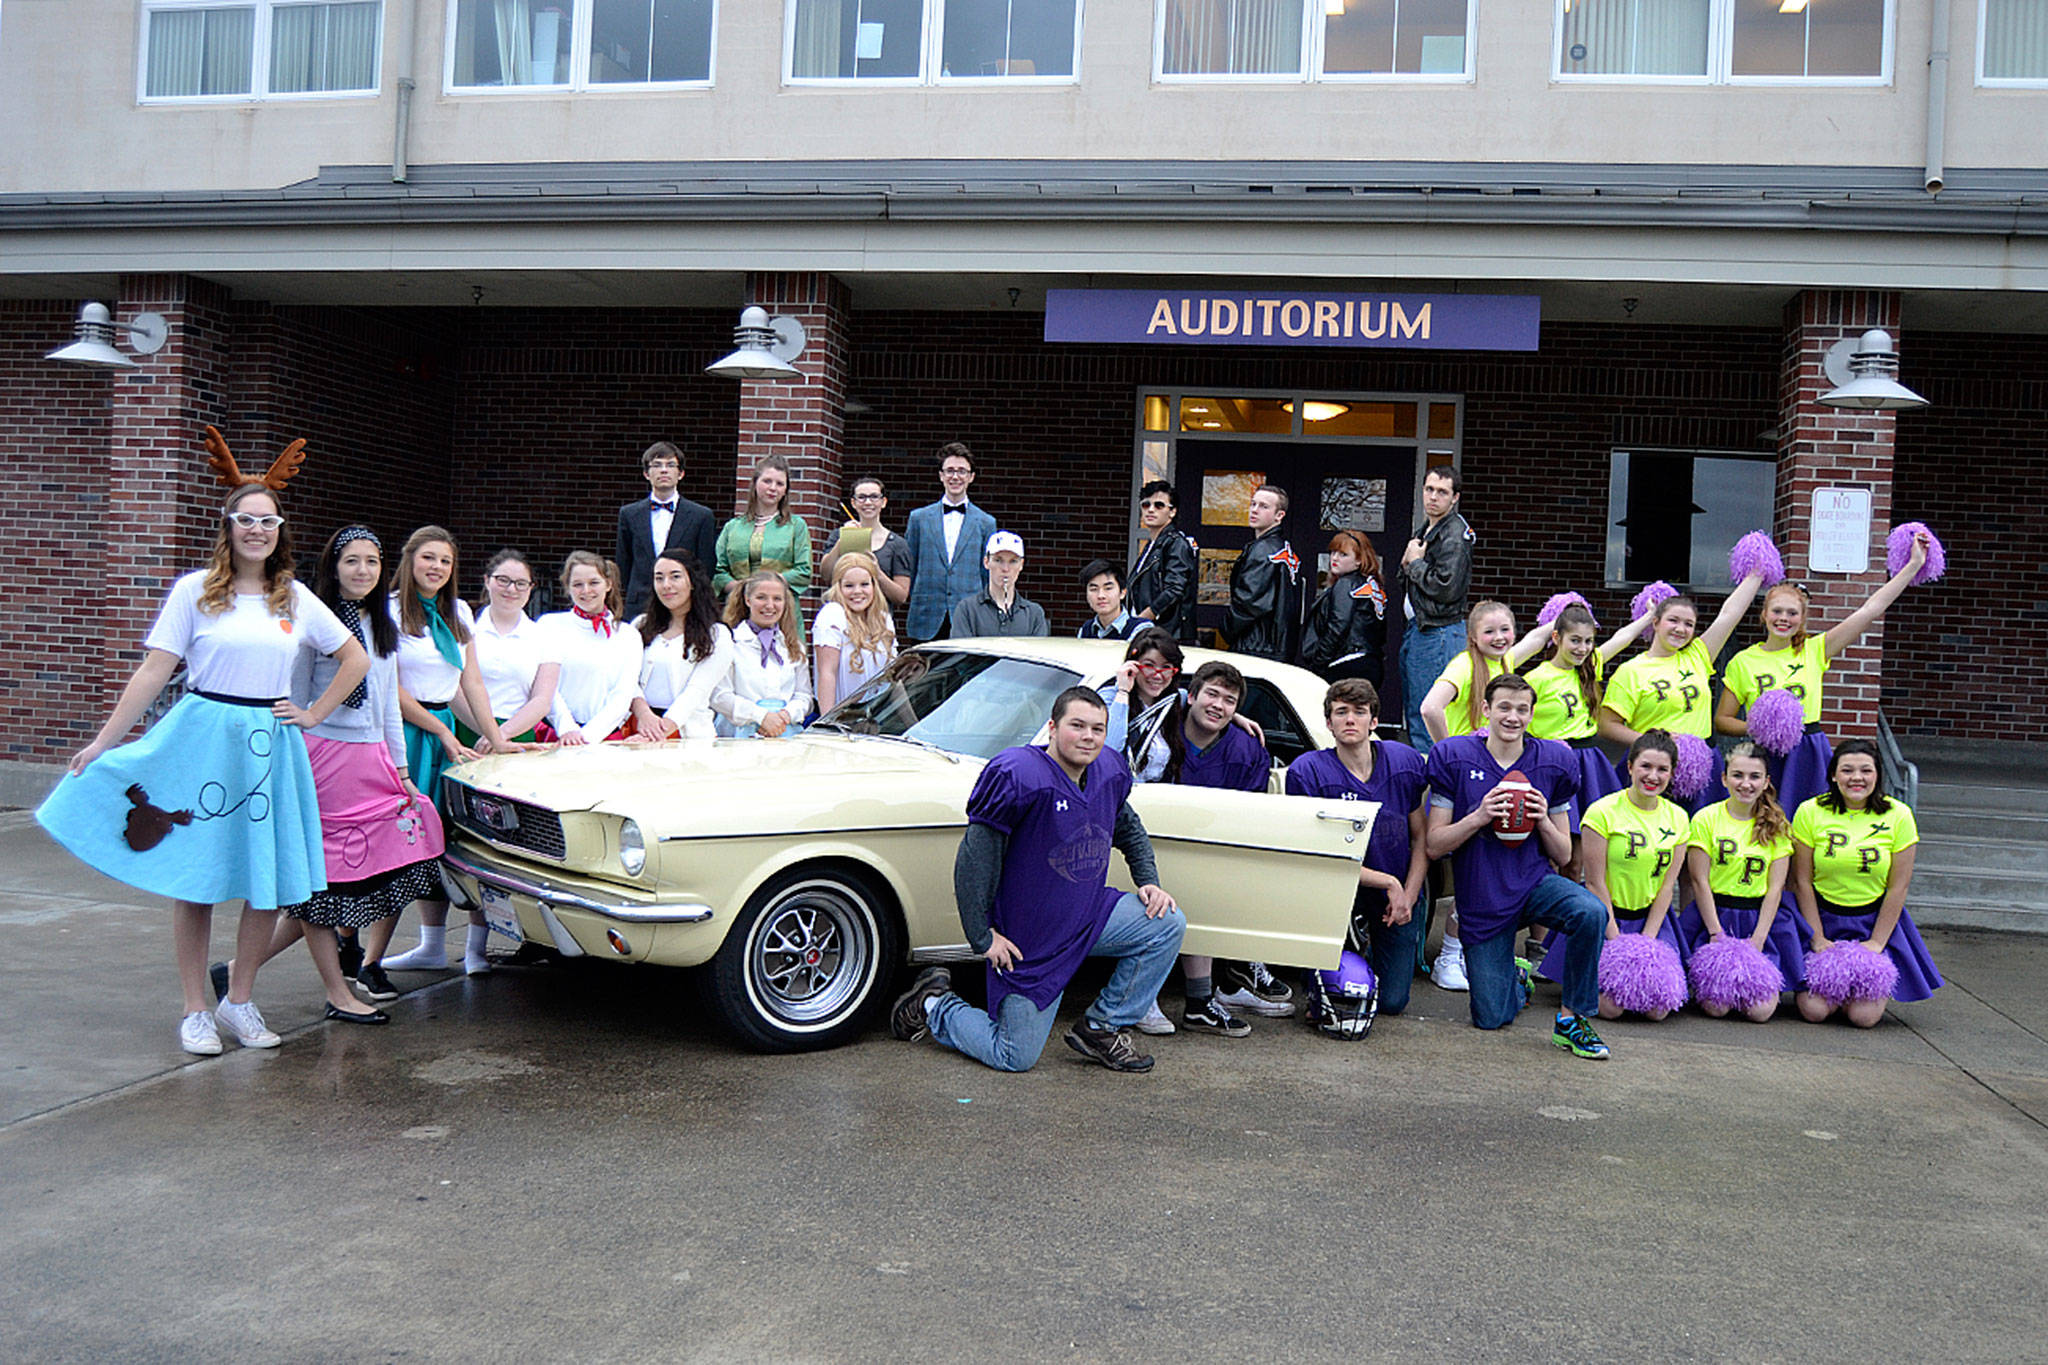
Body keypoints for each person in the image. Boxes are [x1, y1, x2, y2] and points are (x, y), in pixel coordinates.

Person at [38, 471, 368, 1056]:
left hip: (269, 743)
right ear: (228, 526)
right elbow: (153, 670)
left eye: (269, 521)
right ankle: (195, 1009)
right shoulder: (194, 591)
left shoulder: (292, 595)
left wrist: (314, 714)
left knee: (264, 879)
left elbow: (354, 657)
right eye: (247, 519)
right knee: (196, 878)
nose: (257, 530)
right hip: (202, 736)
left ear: (279, 531)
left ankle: (238, 1000)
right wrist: (105, 741)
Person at [213, 525, 446, 1024]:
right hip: (323, 761)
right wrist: (309, 722)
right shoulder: (315, 620)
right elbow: (291, 694)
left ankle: (237, 970)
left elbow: (386, 707)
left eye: (371, 561)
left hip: (372, 763)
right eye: (351, 561)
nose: (362, 571)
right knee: (320, 887)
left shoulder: (381, 624)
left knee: (388, 862)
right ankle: (338, 991)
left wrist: (401, 770)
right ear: (333, 567)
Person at [888, 687, 1186, 1073]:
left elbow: (1128, 827)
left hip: (1089, 915)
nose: (1088, 737)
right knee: (1013, 1055)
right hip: (1031, 940)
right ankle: (933, 1003)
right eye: (1076, 726)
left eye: (1098, 728)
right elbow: (974, 860)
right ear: (1051, 727)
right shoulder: (1019, 774)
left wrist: (1148, 879)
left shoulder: (1109, 770)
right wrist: (982, 935)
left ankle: (1101, 1026)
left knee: (1165, 924)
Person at [1423, 674, 1613, 1059]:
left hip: (1534, 886)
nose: (1513, 717)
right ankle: (1517, 977)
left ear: (1532, 714)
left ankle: (1571, 1019)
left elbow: (1562, 856)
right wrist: (1478, 817)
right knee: (1492, 1017)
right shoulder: (1455, 757)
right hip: (1482, 897)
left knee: (1589, 911)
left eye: (1522, 709)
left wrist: (1543, 819)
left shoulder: (1553, 760)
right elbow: (1433, 844)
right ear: (1486, 710)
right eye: (1504, 708)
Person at [1715, 532, 1932, 812]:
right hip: (1764, 753)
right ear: (1764, 615)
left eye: (1792, 613)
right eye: (1777, 611)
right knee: (1766, 822)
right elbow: (1722, 720)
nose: (1784, 619)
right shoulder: (1743, 661)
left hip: (1808, 750)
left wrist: (1913, 564)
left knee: (1811, 823)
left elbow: (1869, 610)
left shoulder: (1815, 650)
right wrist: (1760, 728)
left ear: (1802, 618)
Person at [373, 526, 503, 979]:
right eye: (428, 558)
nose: (437, 568)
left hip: (444, 729)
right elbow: (392, 688)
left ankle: (474, 950)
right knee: (404, 844)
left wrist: (496, 740)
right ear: (409, 561)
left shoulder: (458, 611)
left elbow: (469, 684)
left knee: (460, 841)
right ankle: (377, 958)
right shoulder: (387, 612)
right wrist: (441, 733)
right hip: (405, 733)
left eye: (445, 561)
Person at [1419, 598, 1548, 992]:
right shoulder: (1462, 665)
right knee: (1465, 876)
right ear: (1472, 637)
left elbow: (1533, 641)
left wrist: (1557, 619)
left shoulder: (1505, 664)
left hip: (1489, 781)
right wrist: (1453, 754)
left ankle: (1467, 951)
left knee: (1483, 873)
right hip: (1466, 783)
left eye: (1505, 630)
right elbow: (1429, 708)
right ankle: (1448, 956)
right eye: (1489, 631)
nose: (1499, 637)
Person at [1285, 679, 1431, 1018]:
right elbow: (1320, 857)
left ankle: (1369, 958)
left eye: (1359, 712)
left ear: (1374, 721)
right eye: (1341, 712)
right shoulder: (1309, 771)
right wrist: (1389, 883)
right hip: (1336, 892)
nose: (1350, 719)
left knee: (1392, 1003)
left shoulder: (1403, 762)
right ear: (1328, 723)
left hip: (1394, 890)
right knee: (1334, 993)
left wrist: (1408, 894)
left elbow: (1420, 837)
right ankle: (1342, 964)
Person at [1163, 661, 1285, 1036]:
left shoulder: (1247, 751)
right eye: (1211, 694)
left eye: (1229, 701)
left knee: (1209, 886)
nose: (1218, 705)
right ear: (1191, 695)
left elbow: (1248, 818)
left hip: (1212, 851)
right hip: (1156, 845)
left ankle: (1221, 983)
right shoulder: (1163, 723)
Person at [1791, 738, 1943, 1026]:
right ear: (1833, 775)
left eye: (1866, 770)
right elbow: (1802, 881)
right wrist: (1818, 938)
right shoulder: (1810, 811)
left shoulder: (1899, 815)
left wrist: (1877, 942)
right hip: (1824, 917)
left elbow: (1898, 887)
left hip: (1871, 920)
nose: (1856, 778)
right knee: (1814, 1011)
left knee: (1863, 1018)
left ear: (1877, 775)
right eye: (1847, 770)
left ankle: (1853, 992)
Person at [1539, 730, 1691, 1019]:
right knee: (1610, 1009)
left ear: (1672, 774)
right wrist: (1617, 942)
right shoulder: (1602, 812)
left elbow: (1667, 885)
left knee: (1657, 1012)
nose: (1653, 776)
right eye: (1645, 766)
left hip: (1650, 919)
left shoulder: (1678, 818)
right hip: (1605, 917)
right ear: (1630, 766)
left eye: (1662, 769)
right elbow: (1595, 882)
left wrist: (1646, 943)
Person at [1599, 570, 1766, 813]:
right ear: (1655, 622)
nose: (1681, 629)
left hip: (1700, 763)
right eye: (1673, 620)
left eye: (1689, 624)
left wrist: (1757, 572)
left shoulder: (1697, 655)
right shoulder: (1631, 670)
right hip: (1655, 765)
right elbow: (1606, 725)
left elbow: (1729, 615)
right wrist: (1655, 739)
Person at [1674, 741, 1801, 1021]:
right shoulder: (1706, 818)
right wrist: (1716, 932)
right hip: (1716, 914)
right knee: (1716, 1007)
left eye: (1755, 777)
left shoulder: (1778, 825)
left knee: (1760, 1012)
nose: (1746, 784)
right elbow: (1699, 881)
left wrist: (1759, 938)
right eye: (1738, 775)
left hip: (1759, 917)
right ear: (1724, 778)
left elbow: (1775, 888)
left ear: (1767, 782)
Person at [1398, 467, 1474, 752]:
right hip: (1422, 628)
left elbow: (1447, 588)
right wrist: (1410, 562)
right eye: (1429, 489)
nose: (1433, 497)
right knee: (1416, 714)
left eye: (1442, 492)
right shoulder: (1429, 527)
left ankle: (1434, 789)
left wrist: (1415, 564)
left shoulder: (1453, 534)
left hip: (1438, 632)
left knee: (1429, 717)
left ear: (1454, 498)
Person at [538, 552, 641, 744]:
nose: (586, 590)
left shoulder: (629, 635)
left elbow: (623, 694)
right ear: (568, 588)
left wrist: (587, 738)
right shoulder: (549, 626)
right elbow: (545, 687)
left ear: (608, 584)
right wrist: (567, 729)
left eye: (594, 582)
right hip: (556, 735)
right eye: (578, 584)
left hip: (605, 738)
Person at [629, 550, 733, 740]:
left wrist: (657, 733)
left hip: (686, 736)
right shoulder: (640, 625)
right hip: (636, 729)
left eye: (675, 577)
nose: (666, 585)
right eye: (659, 578)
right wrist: (644, 715)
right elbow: (627, 679)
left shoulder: (717, 635)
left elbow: (696, 691)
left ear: (692, 582)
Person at [903, 443, 997, 642]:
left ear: (971, 477)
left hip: (968, 618)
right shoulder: (918, 518)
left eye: (962, 471)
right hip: (926, 617)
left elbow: (987, 575)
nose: (955, 477)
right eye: (950, 471)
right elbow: (910, 566)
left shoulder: (986, 523)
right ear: (941, 475)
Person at [468, 549, 560, 748]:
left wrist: (499, 736)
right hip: (466, 729)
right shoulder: (467, 628)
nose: (511, 589)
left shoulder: (545, 637)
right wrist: (488, 732)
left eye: (521, 583)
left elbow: (542, 700)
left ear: (531, 587)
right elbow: (456, 686)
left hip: (517, 735)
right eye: (503, 580)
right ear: (487, 580)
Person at [615, 440, 715, 619]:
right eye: (657, 465)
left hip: (684, 604)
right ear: (646, 473)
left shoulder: (701, 516)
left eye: (670, 465)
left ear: (681, 473)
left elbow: (705, 567)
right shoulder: (629, 514)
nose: (663, 470)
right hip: (639, 604)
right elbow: (624, 562)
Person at [713, 570, 811, 737]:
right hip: (738, 738)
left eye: (777, 599)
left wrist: (784, 716)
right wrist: (761, 717)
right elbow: (719, 696)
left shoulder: (794, 647)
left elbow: (804, 696)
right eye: (761, 597)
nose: (770, 605)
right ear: (747, 600)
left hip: (785, 734)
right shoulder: (729, 643)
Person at [713, 455, 814, 616]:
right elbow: (718, 571)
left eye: (780, 483)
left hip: (781, 609)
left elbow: (804, 571)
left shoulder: (796, 526)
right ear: (755, 484)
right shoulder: (732, 527)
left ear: (785, 490)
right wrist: (741, 588)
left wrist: (767, 587)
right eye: (767, 481)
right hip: (739, 608)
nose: (773, 488)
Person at [1298, 530, 1389, 686]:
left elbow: (1337, 626)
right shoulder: (1372, 588)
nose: (1334, 558)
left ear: (1359, 560)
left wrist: (1318, 663)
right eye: (1333, 552)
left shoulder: (1346, 584)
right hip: (1369, 663)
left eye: (1343, 555)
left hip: (1345, 663)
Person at [1223, 484, 1301, 660]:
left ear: (1279, 516)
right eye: (1253, 504)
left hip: (1255, 645)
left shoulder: (1264, 549)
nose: (1254, 510)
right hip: (1274, 646)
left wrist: (1226, 628)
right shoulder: (1282, 549)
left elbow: (1249, 602)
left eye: (1264, 506)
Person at [813, 551, 897, 714]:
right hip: (840, 717)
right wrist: (827, 724)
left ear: (874, 585)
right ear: (838, 587)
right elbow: (826, 674)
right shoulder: (832, 614)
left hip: (877, 717)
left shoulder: (883, 618)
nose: (857, 591)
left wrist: (913, 725)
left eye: (864, 584)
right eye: (849, 585)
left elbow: (893, 680)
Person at [817, 475, 913, 610]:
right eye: (861, 497)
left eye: (874, 497)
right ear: (853, 503)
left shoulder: (897, 544)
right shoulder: (838, 535)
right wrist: (842, 541)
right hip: (843, 617)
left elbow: (901, 597)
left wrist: (877, 573)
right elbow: (825, 575)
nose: (868, 502)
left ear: (883, 502)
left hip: (879, 620)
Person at [1126, 479, 1198, 641]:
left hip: (1167, 634)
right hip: (1152, 632)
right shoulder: (1152, 545)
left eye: (1159, 505)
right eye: (1146, 505)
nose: (1151, 510)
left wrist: (1144, 618)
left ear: (1172, 512)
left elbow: (1174, 589)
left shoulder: (1175, 543)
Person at [949, 530, 1048, 638]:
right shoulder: (967, 609)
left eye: (1013, 561)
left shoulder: (1034, 614)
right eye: (998, 560)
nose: (1005, 569)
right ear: (986, 562)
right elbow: (960, 654)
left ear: (1021, 565)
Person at [1076, 559, 1142, 640]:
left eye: (1108, 588)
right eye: (1094, 589)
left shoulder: (1139, 630)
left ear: (1122, 592)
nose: (1101, 596)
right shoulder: (1085, 631)